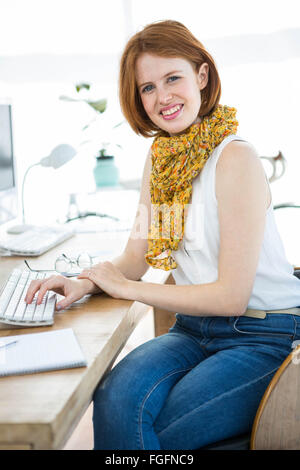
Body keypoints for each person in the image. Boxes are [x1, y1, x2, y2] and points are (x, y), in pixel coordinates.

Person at [25, 20, 300, 450]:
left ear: (202, 77)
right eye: (147, 87)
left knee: (151, 435)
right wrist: (84, 282)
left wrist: (129, 288)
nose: (162, 97)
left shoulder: (235, 159)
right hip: (195, 330)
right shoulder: (164, 161)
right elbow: (136, 258)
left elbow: (231, 297)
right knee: (114, 399)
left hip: (263, 336)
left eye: (173, 78)